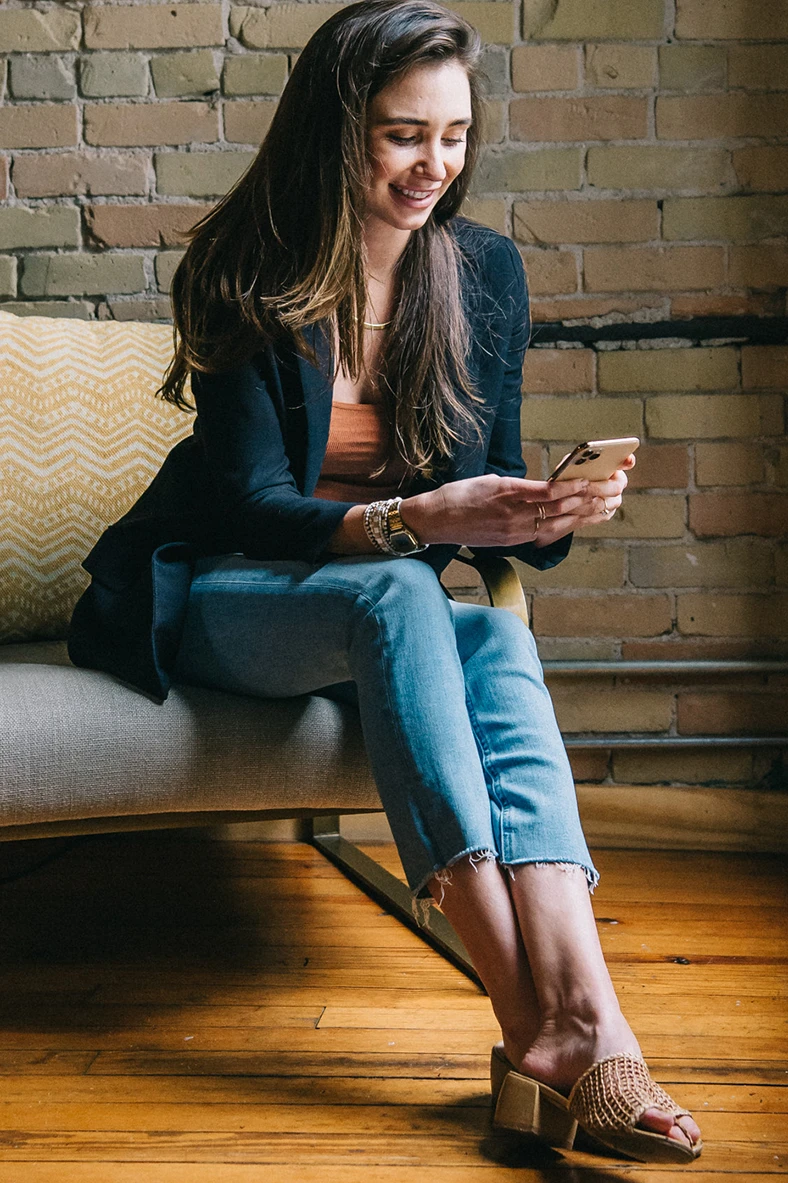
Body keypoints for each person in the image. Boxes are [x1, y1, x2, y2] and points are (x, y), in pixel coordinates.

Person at [68, 0, 702, 1163]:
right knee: (411, 588)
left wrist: (547, 508)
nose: (434, 166)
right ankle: (530, 1016)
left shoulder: (484, 272)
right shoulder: (243, 268)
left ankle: (589, 1013)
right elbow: (252, 504)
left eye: (453, 136)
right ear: (336, 126)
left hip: (370, 605)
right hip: (225, 596)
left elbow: (492, 502)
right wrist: (414, 518)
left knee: (493, 636)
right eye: (403, 135)